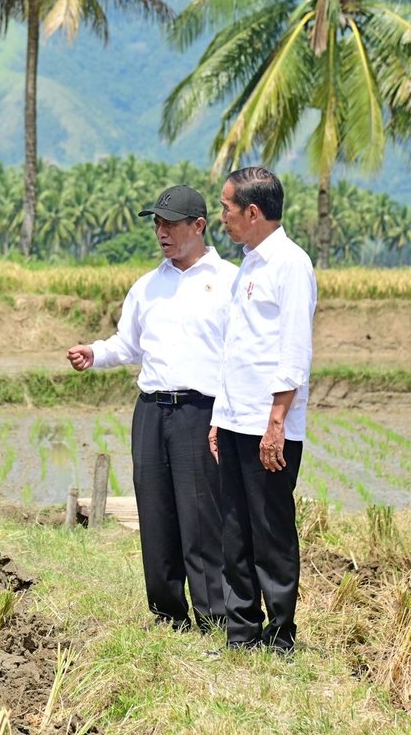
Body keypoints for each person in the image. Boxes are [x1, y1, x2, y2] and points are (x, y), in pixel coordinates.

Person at [67, 185, 237, 633]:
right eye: (157, 223)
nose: (161, 231)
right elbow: (128, 343)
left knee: (201, 514)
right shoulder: (147, 285)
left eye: (171, 223)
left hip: (201, 412)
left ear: (198, 226)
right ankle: (167, 614)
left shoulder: (229, 282)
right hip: (151, 411)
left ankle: (213, 616)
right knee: (156, 511)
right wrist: (94, 352)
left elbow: (240, 354)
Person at [209, 167, 317, 653]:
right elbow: (236, 350)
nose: (222, 218)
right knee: (234, 530)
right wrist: (217, 416)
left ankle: (280, 636)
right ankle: (241, 634)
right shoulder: (249, 265)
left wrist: (275, 425)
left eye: (228, 209)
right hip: (234, 420)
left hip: (268, 426)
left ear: (253, 212)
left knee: (270, 532)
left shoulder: (291, 265)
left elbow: (294, 353)